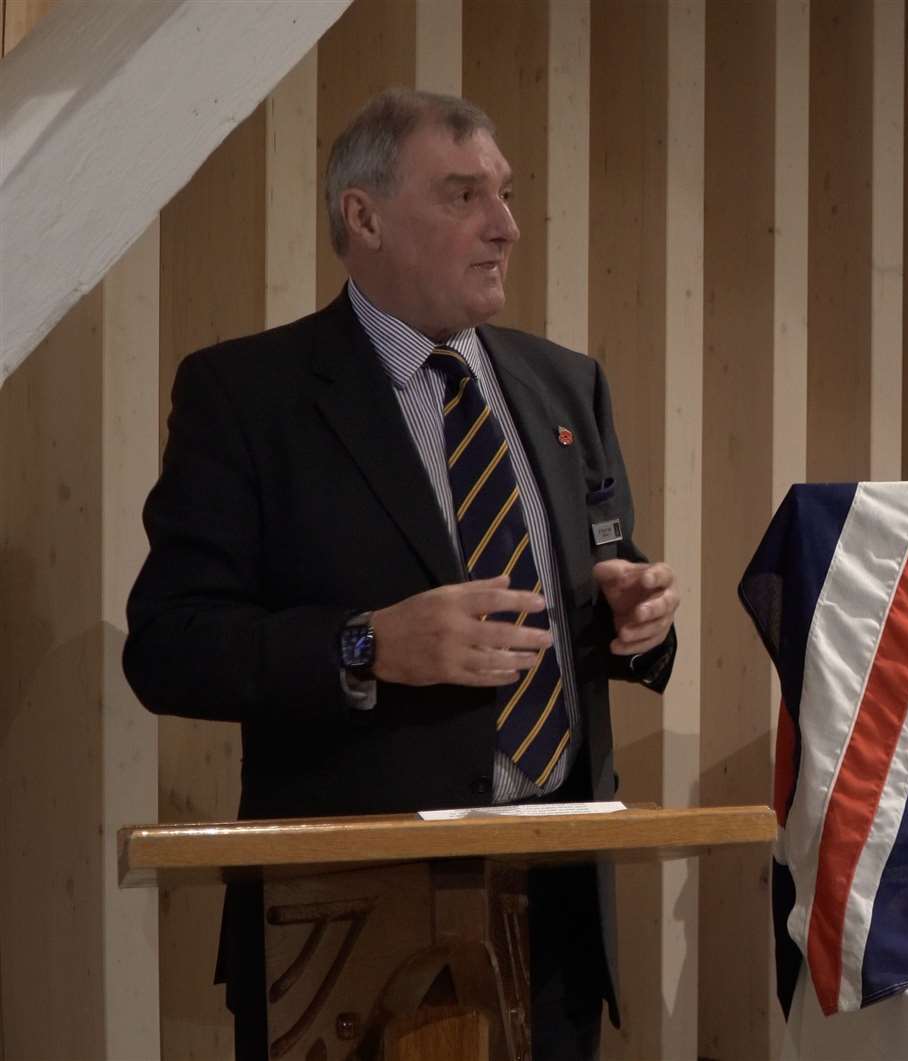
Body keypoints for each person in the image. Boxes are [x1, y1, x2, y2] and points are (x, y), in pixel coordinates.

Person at [122, 88, 679, 1060]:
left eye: (504, 194)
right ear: (364, 216)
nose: (505, 226)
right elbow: (171, 645)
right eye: (463, 195)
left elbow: (599, 581)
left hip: (554, 913)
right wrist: (367, 644)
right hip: (347, 929)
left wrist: (635, 615)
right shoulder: (248, 394)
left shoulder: (565, 384)